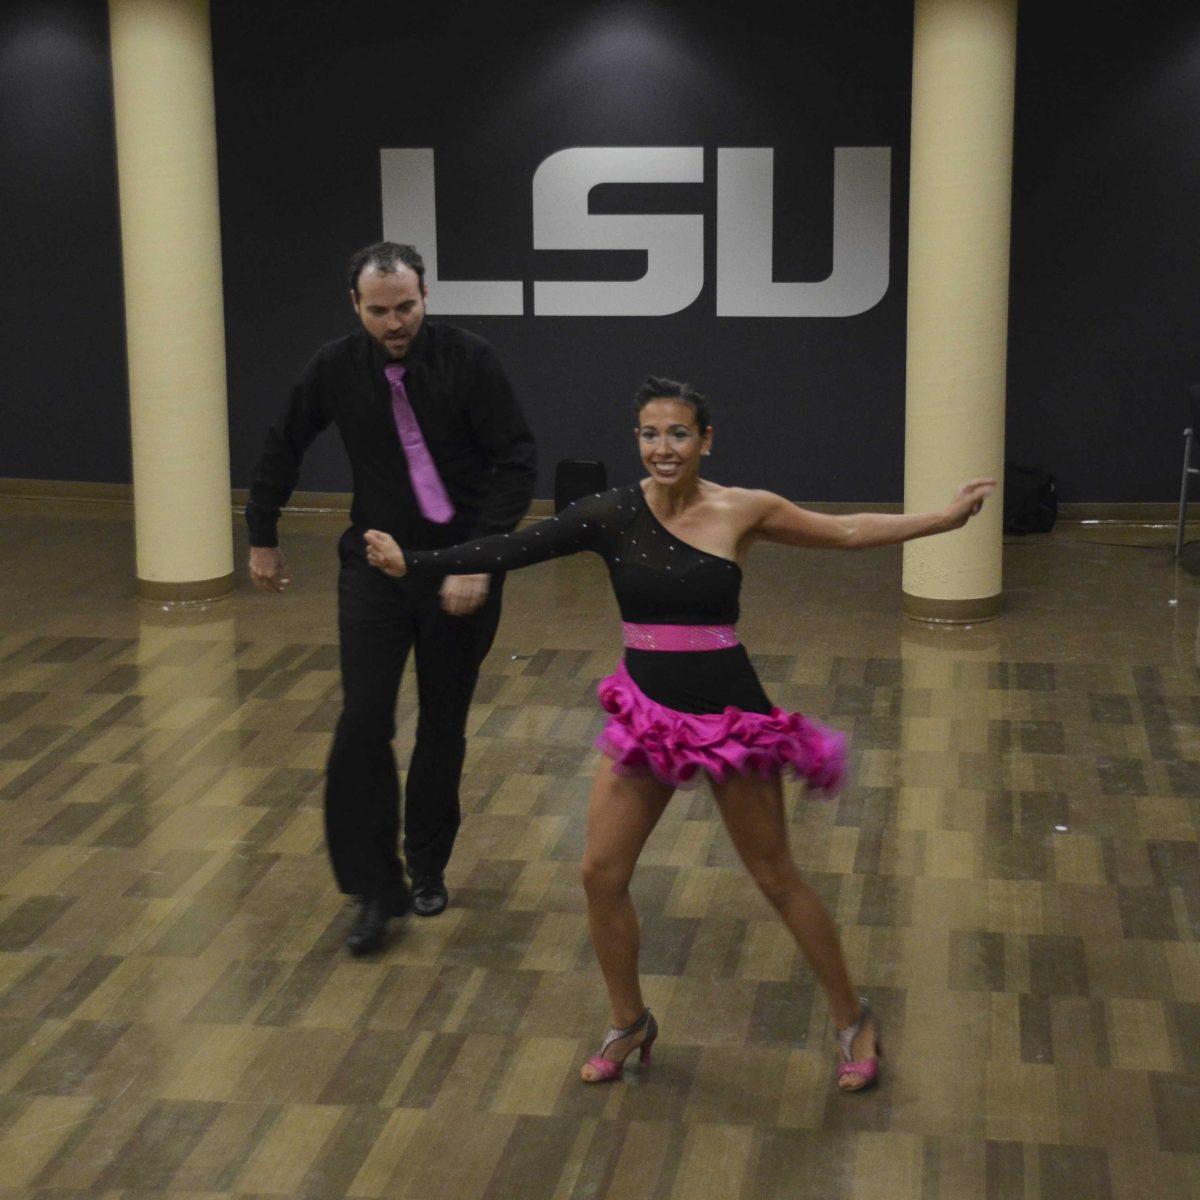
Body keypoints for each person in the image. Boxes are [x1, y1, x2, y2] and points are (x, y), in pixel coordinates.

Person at [362, 376, 994, 1090]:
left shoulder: (744, 510)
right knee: (600, 873)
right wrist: (415, 563)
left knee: (775, 876)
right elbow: (518, 547)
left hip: (729, 716)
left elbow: (845, 531)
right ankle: (629, 1020)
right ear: (637, 439)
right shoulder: (609, 513)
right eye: (650, 434)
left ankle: (854, 1018)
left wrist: (941, 521)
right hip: (648, 717)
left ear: (706, 439)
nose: (664, 448)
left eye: (678, 434)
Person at [246, 242, 536, 954]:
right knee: (363, 721)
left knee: (443, 724)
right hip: (374, 567)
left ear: (426, 295)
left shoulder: (471, 361)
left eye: (405, 306)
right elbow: (285, 441)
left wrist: (481, 558)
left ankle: (428, 864)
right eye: (379, 311)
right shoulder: (334, 366)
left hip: (455, 572)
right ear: (356, 307)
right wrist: (262, 532)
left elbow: (517, 460)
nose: (394, 322)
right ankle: (376, 888)